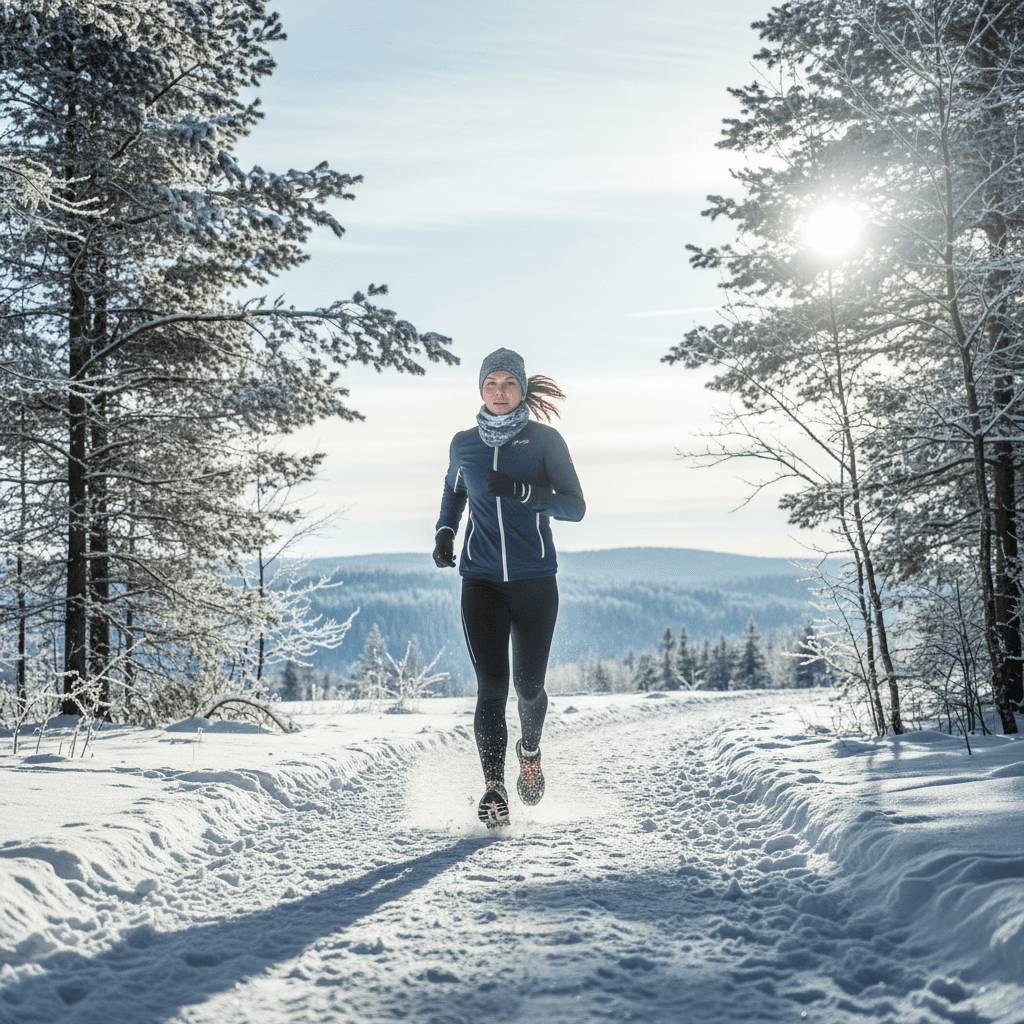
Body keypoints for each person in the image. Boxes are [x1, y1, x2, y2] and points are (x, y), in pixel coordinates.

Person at [433, 348, 585, 827]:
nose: (499, 392)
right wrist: (443, 530)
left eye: (508, 384)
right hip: (480, 582)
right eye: (490, 384)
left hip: (535, 580)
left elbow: (575, 506)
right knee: (492, 687)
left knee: (528, 686)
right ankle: (494, 787)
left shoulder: (544, 441)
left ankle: (531, 749)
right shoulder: (463, 443)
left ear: (522, 389)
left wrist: (523, 492)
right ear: (480, 390)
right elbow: (455, 489)